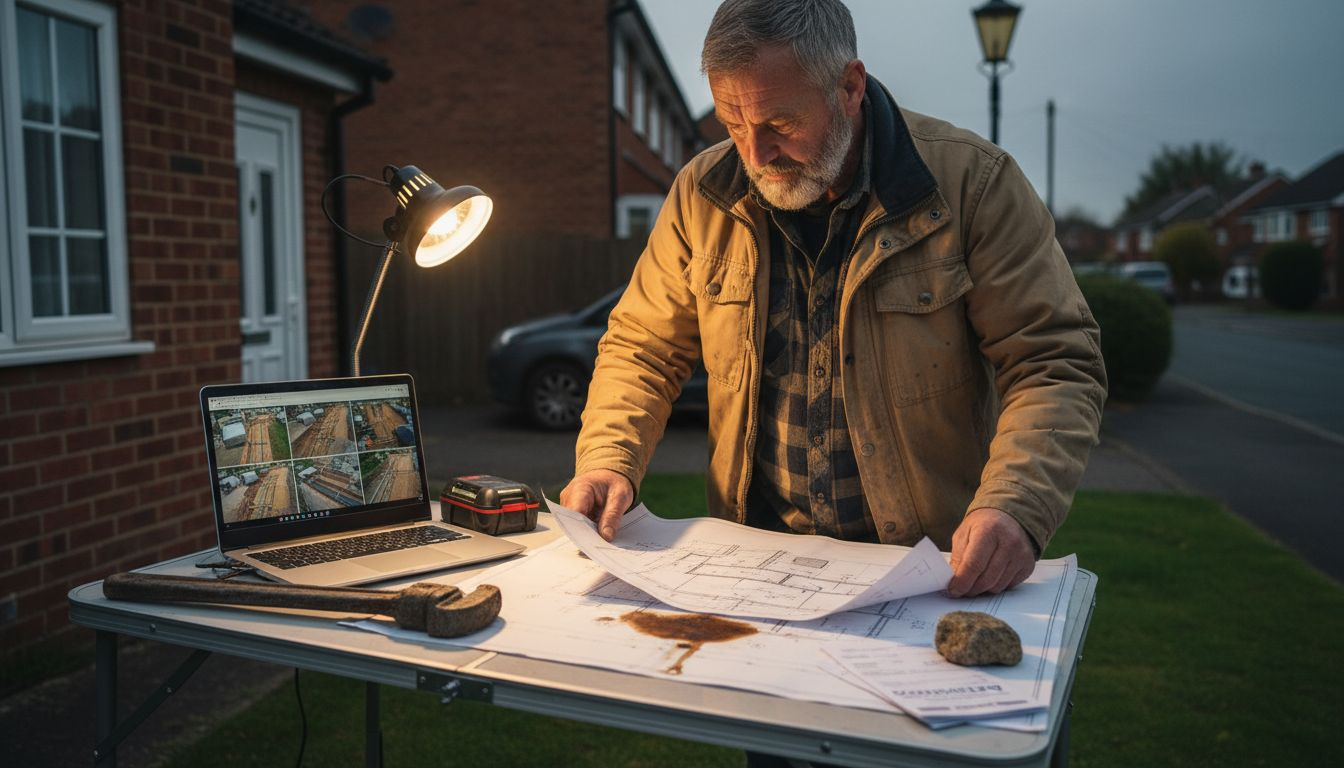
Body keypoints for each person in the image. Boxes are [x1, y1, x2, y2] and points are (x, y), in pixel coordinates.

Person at [561, 0, 1105, 600]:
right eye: (731, 124)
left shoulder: (974, 185)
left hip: (926, 574)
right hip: (751, 566)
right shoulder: (701, 194)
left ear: (849, 86)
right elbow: (643, 346)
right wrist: (609, 458)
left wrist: (1016, 505)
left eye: (780, 125)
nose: (753, 156)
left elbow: (1054, 364)